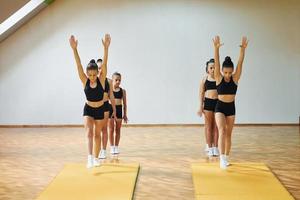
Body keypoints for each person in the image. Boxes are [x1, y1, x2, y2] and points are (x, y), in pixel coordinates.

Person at [69, 34, 111, 168]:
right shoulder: (84, 80)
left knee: (97, 134)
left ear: (97, 73)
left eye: (94, 75)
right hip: (88, 109)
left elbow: (104, 64)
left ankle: (96, 158)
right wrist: (74, 49)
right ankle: (89, 158)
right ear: (87, 74)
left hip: (100, 109)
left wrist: (106, 48)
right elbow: (79, 65)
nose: (92, 77)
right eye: (90, 75)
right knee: (89, 133)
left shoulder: (102, 79)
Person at [212, 35, 248, 169]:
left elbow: (240, 63)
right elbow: (216, 62)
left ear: (232, 71)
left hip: (231, 108)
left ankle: (226, 157)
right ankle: (221, 158)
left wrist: (243, 50)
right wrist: (216, 49)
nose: (227, 75)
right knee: (222, 130)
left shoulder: (235, 77)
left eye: (229, 72)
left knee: (229, 133)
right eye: (225, 72)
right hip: (220, 107)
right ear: (222, 71)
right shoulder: (218, 77)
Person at [198, 58, 219, 157]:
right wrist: (200, 106)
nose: (213, 69)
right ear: (207, 69)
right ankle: (209, 147)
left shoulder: (220, 79)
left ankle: (215, 147)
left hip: (218, 104)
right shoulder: (204, 79)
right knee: (208, 126)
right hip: (208, 104)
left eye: (215, 67)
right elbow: (201, 93)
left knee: (216, 127)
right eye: (211, 67)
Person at [109, 72, 128, 155]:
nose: (118, 82)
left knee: (118, 129)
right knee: (111, 129)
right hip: (110, 110)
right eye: (116, 80)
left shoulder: (122, 91)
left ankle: (116, 146)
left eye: (119, 80)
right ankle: (111, 146)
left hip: (119, 110)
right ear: (112, 80)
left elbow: (125, 104)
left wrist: (125, 114)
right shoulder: (109, 91)